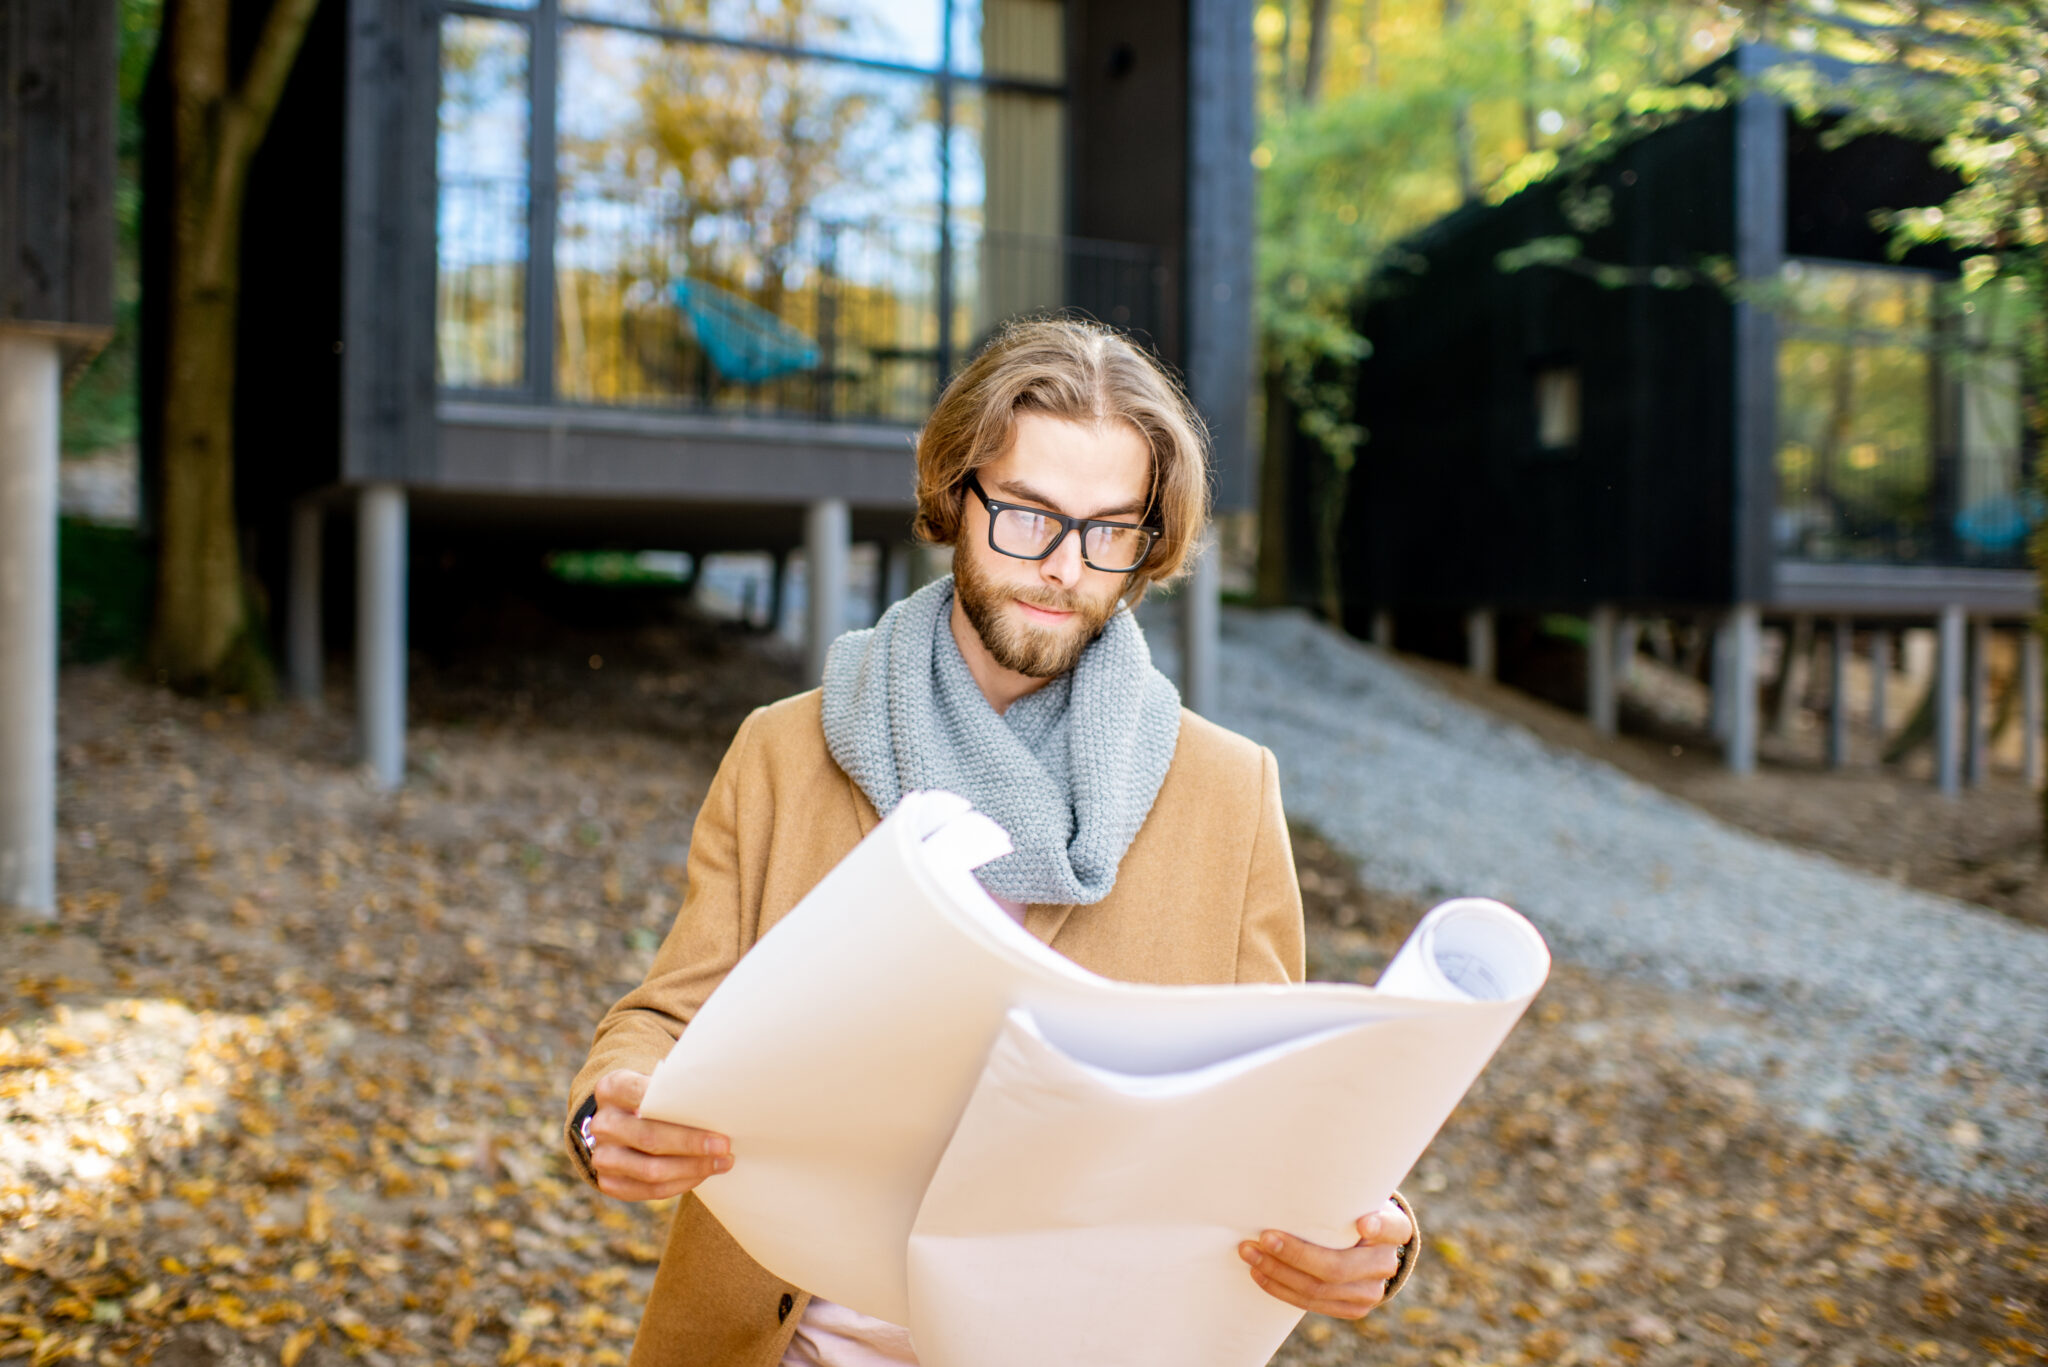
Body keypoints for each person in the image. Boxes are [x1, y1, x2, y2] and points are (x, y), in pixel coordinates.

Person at [563, 318, 1420, 1367]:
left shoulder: (1227, 791)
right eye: (1026, 517)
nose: (1064, 567)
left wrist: (1371, 1236)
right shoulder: (784, 749)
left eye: (1110, 530)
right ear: (953, 497)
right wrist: (612, 1117)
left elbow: (1278, 1106)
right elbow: (670, 1013)